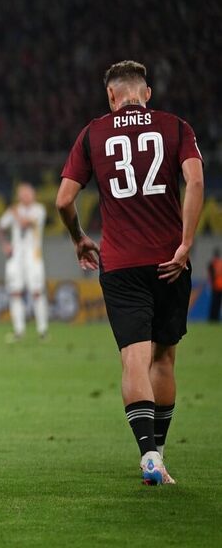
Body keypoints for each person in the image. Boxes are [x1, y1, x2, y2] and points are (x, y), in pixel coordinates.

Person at [56, 60, 204, 485]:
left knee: (132, 359)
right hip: (169, 262)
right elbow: (194, 181)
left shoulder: (94, 133)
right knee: (164, 357)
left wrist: (79, 237)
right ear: (147, 93)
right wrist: (187, 243)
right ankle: (160, 452)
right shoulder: (176, 127)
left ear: (111, 96)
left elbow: (64, 200)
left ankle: (148, 455)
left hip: (120, 264)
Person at [0, 183, 49, 342]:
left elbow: (26, 223)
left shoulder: (39, 210)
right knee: (15, 293)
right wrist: (5, 245)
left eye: (28, 193)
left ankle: (42, 331)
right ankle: (19, 331)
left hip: (33, 257)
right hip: (16, 258)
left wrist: (14, 213)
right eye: (22, 194)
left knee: (37, 292)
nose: (25, 196)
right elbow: (0, 227)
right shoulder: (13, 210)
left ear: (33, 194)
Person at [208, 248, 222, 322]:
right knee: (218, 303)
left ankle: (212, 318)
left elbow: (211, 275)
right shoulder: (220, 263)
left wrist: (210, 284)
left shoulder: (213, 263)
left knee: (214, 303)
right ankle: (216, 318)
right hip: (220, 286)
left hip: (215, 286)